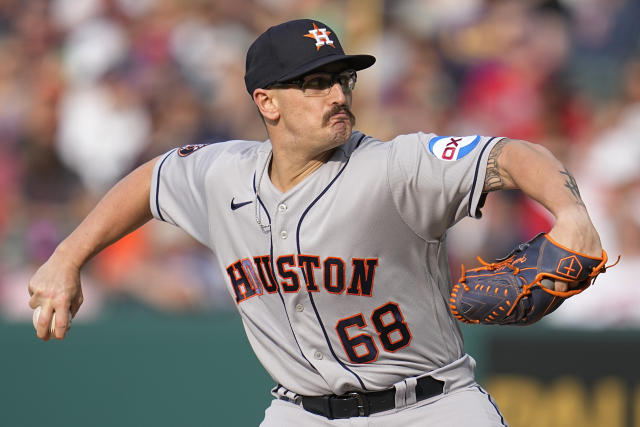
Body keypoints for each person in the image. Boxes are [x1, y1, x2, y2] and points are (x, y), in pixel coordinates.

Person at [28, 19, 602, 426]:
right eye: (315, 82)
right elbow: (151, 181)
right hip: (299, 411)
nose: (338, 94)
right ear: (266, 102)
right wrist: (66, 257)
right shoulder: (222, 174)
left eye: (342, 79)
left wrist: (571, 213)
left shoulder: (393, 167)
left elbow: (514, 154)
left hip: (430, 409)